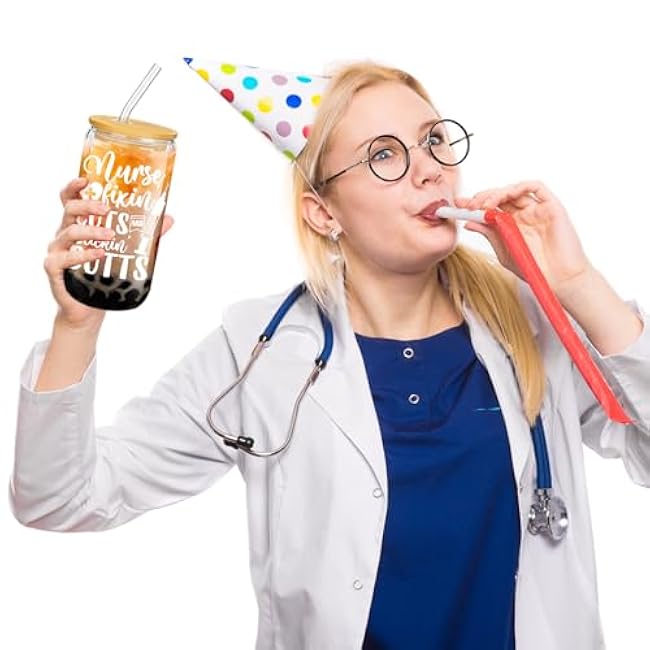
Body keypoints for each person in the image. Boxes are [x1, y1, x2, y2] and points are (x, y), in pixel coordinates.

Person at [8, 59, 650, 650]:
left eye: (433, 141)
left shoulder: (531, 319)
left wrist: (576, 284)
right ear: (323, 214)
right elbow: (59, 498)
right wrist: (77, 324)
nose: (430, 169)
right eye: (384, 155)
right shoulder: (257, 350)